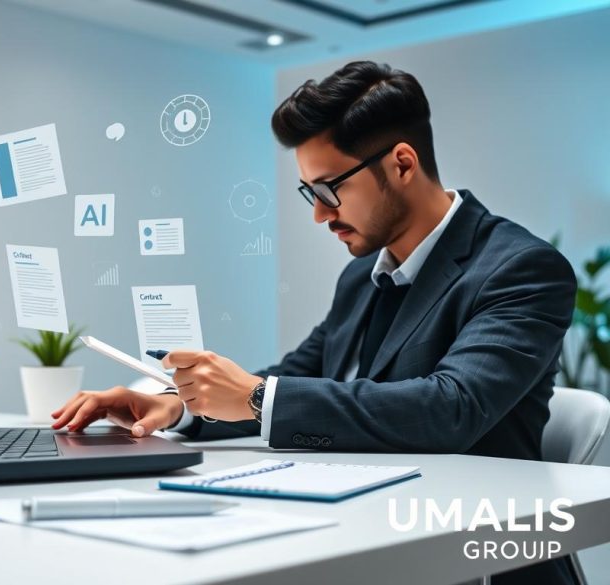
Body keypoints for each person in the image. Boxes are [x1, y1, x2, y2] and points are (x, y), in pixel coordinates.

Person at [51, 61, 577, 585]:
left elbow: (451, 408)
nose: (320, 216)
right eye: (310, 194)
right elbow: (298, 374)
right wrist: (178, 406)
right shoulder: (359, 278)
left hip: (476, 559)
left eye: (329, 191)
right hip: (368, 535)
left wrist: (256, 396)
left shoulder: (521, 268)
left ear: (401, 163)